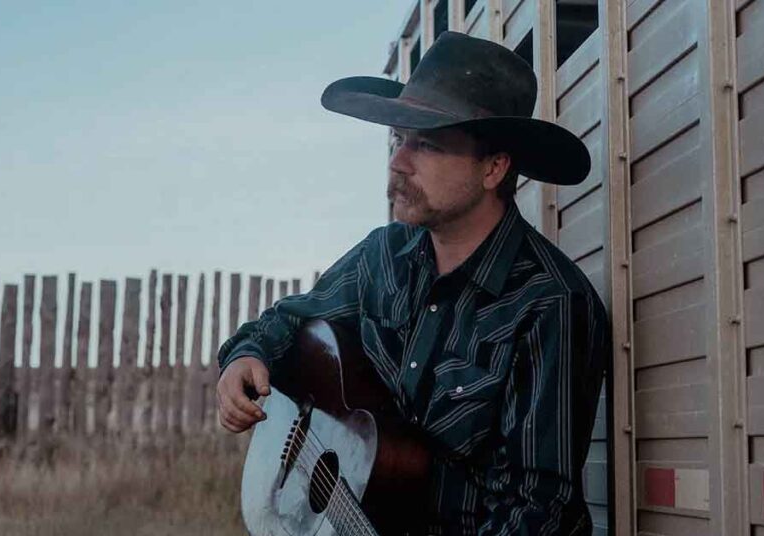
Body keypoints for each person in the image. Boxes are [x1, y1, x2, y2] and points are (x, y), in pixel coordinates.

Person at [216, 31, 610, 535]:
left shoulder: (550, 305)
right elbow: (288, 321)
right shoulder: (384, 255)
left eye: (426, 144)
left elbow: (537, 512)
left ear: (493, 168)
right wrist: (245, 357)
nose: (398, 161)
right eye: (400, 139)